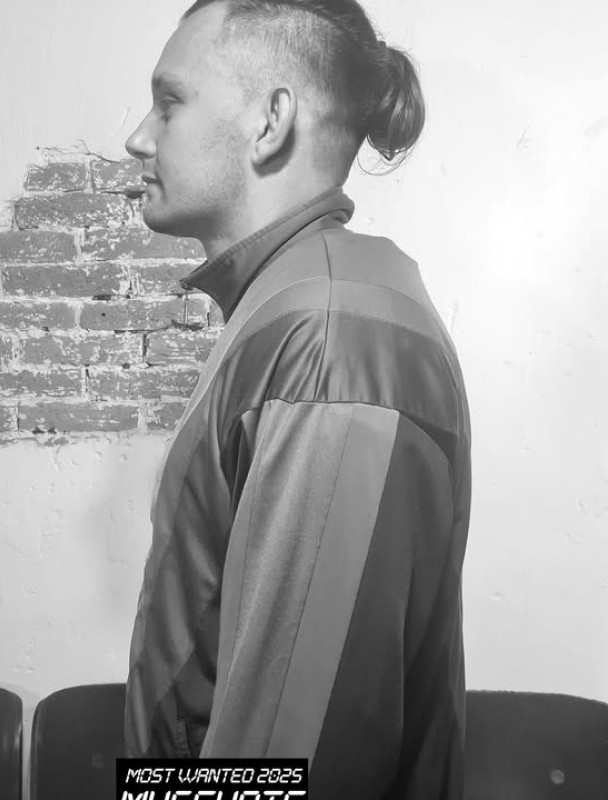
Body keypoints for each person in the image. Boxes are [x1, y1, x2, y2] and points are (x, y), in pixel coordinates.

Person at [123, 1, 471, 797]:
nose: (139, 137)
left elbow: (304, 759)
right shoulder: (297, 309)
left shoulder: (328, 342)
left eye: (170, 101)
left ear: (270, 121)